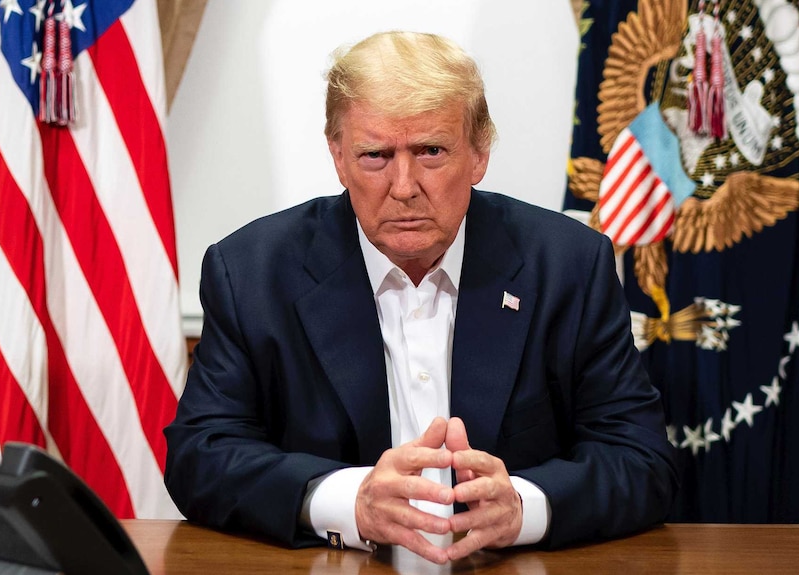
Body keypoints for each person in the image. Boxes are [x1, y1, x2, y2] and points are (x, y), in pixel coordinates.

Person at [164, 31, 678, 565]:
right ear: (338, 156)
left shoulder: (568, 265)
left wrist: (522, 507)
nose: (404, 185)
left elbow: (641, 460)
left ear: (479, 153)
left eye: (431, 151)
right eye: (375, 155)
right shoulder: (252, 272)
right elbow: (201, 458)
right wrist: (348, 501)